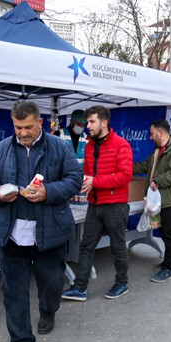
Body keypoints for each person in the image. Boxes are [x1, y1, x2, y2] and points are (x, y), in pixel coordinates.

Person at [0, 100, 83, 342]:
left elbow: (75, 178)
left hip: (49, 232)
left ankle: (48, 311)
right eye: (18, 127)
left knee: (51, 283)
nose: (23, 132)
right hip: (11, 235)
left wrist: (48, 192)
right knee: (13, 292)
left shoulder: (59, 147)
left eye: (28, 126)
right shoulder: (2, 148)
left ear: (40, 122)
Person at [62, 105, 133, 301]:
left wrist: (95, 182)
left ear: (104, 122)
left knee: (118, 246)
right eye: (87, 122)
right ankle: (80, 287)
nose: (87, 126)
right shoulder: (90, 145)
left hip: (115, 205)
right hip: (94, 204)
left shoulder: (121, 145)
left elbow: (125, 175)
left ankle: (122, 283)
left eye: (92, 122)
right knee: (86, 246)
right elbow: (88, 173)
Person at [133, 119, 171, 282]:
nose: (150, 137)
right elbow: (147, 166)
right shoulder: (159, 150)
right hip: (162, 200)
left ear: (160, 132)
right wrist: (127, 168)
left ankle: (168, 268)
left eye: (152, 134)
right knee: (166, 233)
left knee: (170, 234)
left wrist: (158, 181)